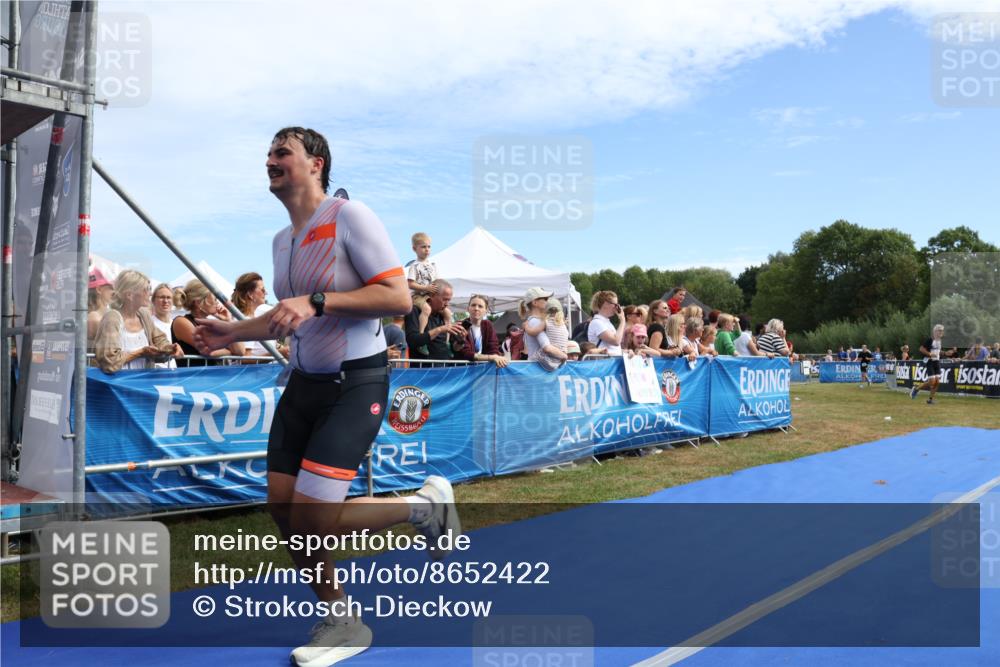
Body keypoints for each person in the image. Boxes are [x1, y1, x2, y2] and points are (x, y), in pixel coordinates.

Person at [193, 127, 460, 667]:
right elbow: (284, 317)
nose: (269, 160)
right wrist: (231, 332)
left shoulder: (349, 215)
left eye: (281, 152)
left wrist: (318, 300)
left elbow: (397, 297)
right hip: (303, 384)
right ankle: (341, 617)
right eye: (267, 152)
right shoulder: (280, 239)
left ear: (315, 164)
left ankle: (425, 507)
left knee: (314, 518)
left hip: (354, 382)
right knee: (283, 512)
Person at [94, 270, 179, 374]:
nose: (150, 293)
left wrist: (171, 348)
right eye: (146, 289)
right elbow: (109, 362)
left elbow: (159, 339)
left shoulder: (143, 315)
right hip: (119, 385)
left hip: (142, 384)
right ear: (129, 295)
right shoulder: (112, 318)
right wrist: (141, 353)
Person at [172, 279, 245, 366]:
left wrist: (228, 321)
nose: (217, 302)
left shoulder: (212, 324)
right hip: (194, 377)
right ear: (199, 303)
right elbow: (209, 351)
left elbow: (240, 351)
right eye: (214, 298)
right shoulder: (181, 322)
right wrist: (231, 352)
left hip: (214, 376)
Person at [404, 278, 466, 361]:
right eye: (444, 299)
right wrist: (439, 330)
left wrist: (461, 340)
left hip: (445, 368)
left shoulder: (444, 315)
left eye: (449, 300)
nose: (447, 304)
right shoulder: (415, 311)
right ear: (432, 295)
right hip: (424, 371)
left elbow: (454, 348)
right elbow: (412, 341)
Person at [232, 271, 288, 359]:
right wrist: (278, 354)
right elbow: (244, 360)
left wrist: (279, 348)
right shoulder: (246, 321)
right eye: (263, 290)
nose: (266, 293)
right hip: (253, 372)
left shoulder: (252, 317)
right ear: (250, 295)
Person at [453, 294, 508, 367]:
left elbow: (493, 348)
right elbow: (467, 354)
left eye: (480, 306)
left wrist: (495, 356)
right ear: (468, 308)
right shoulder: (460, 326)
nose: (476, 308)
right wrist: (492, 357)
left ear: (486, 310)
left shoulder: (488, 325)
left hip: (482, 370)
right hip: (463, 370)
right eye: (473, 305)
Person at [521, 287, 567, 371]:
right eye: (545, 299)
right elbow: (547, 347)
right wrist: (564, 355)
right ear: (535, 302)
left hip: (539, 368)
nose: (548, 301)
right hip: (539, 370)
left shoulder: (537, 321)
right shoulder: (536, 322)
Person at [407, 232, 438, 351]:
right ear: (414, 248)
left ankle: (447, 341)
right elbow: (410, 283)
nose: (427, 249)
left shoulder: (433, 265)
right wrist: (425, 288)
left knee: (446, 312)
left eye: (429, 246)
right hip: (418, 296)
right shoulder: (414, 266)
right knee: (427, 309)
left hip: (431, 295)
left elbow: (437, 281)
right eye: (423, 246)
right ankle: (421, 338)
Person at [910, 324, 956, 404]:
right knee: (932, 381)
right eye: (940, 330)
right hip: (930, 361)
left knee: (937, 382)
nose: (941, 332)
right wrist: (930, 354)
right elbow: (921, 349)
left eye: (942, 331)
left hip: (936, 361)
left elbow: (938, 352)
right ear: (935, 331)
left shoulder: (939, 341)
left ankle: (930, 400)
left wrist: (945, 353)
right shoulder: (930, 340)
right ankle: (916, 389)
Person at [150, 282, 181, 369]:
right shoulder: (148, 323)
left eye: (168, 297)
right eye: (161, 297)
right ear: (153, 300)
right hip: (155, 373)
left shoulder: (176, 324)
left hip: (173, 372)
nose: (165, 301)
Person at [587, 290, 625, 356]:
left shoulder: (605, 322)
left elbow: (613, 349)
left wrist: (626, 352)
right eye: (615, 304)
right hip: (603, 363)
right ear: (606, 304)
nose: (617, 307)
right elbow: (616, 341)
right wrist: (622, 321)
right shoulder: (596, 322)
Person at [87, 268, 114, 347]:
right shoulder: (94, 317)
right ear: (99, 289)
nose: (113, 292)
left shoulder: (92, 314)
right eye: (111, 288)